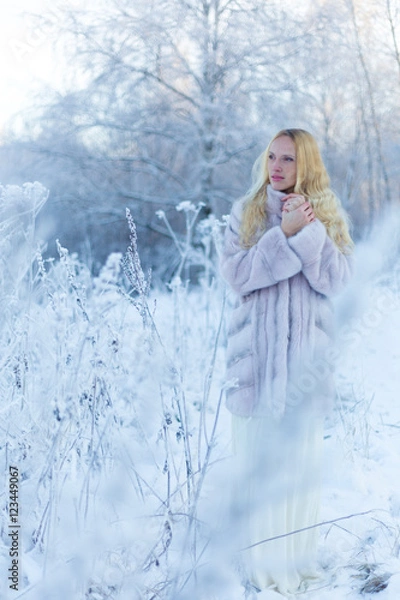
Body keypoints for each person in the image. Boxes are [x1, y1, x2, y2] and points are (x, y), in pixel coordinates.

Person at [220, 129, 353, 597]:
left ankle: (294, 565)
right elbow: (238, 276)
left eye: (289, 160)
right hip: (254, 376)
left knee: (297, 476)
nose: (276, 166)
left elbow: (336, 282)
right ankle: (260, 570)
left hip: (303, 376)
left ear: (307, 166)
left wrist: (309, 231)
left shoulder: (328, 214)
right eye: (272, 157)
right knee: (258, 473)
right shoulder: (247, 212)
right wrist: (283, 236)